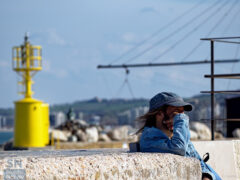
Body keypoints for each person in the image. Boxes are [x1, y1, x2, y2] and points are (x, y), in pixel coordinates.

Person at [137, 92, 221, 180]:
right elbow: (179, 148)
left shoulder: (176, 136)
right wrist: (181, 119)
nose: (179, 118)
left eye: (181, 114)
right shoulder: (150, 139)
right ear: (159, 114)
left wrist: (206, 176)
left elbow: (198, 161)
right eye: (175, 114)